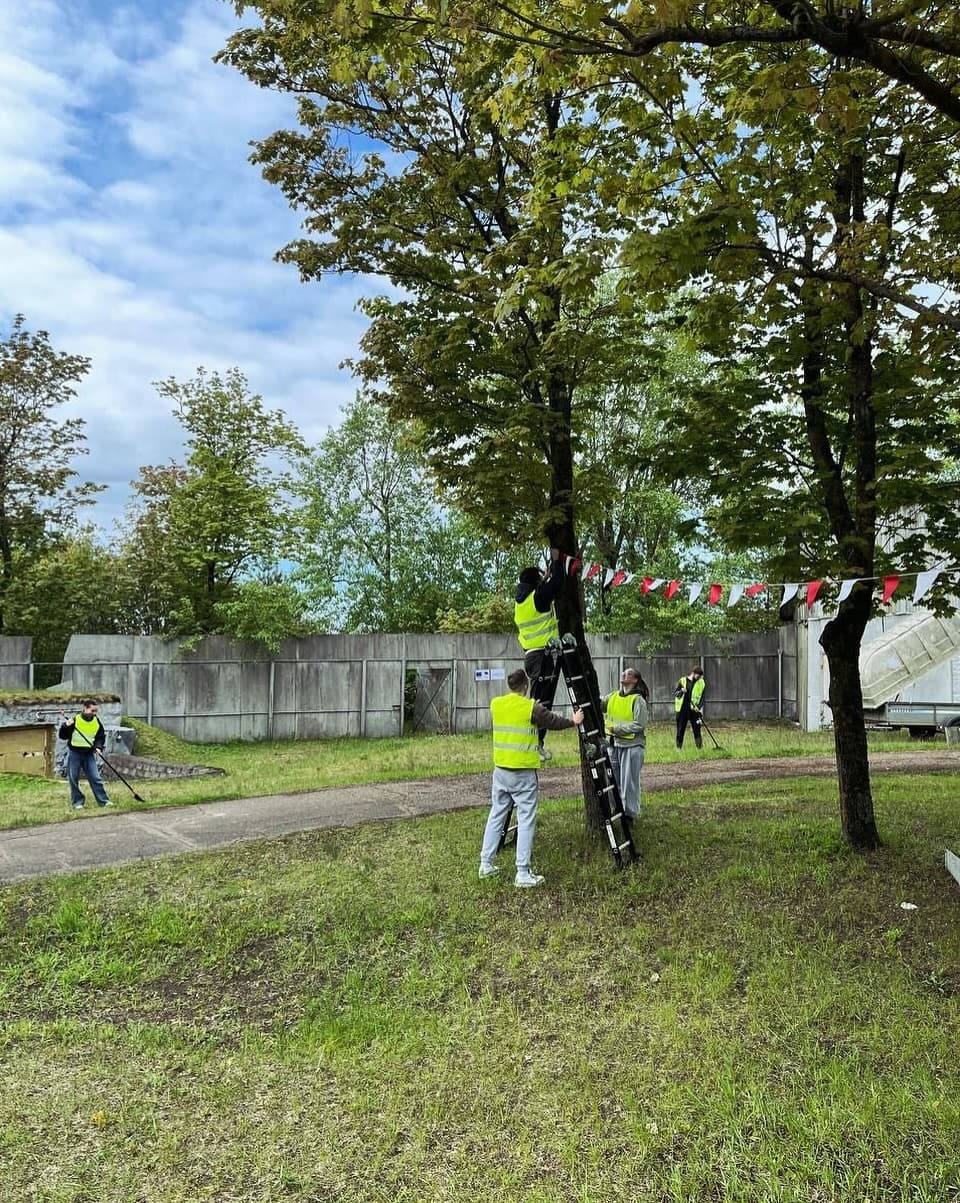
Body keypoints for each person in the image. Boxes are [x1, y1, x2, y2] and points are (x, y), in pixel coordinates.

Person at [479, 668, 584, 888]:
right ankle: (523, 872)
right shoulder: (531, 708)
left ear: (510, 685)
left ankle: (486, 864)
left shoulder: (496, 704)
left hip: (500, 771)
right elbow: (552, 721)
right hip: (523, 773)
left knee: (496, 815)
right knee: (526, 819)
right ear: (526, 686)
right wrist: (574, 721)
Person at [514, 548, 565, 760]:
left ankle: (535, 742)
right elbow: (556, 583)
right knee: (542, 702)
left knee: (538, 699)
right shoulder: (537, 597)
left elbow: (545, 586)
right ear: (536, 581)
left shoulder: (521, 602)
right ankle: (535, 744)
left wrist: (546, 574)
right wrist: (558, 562)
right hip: (543, 655)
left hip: (531, 655)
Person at [602, 667, 649, 821]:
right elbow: (600, 704)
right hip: (614, 745)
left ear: (635, 680)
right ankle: (617, 808)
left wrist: (618, 729)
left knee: (629, 783)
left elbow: (640, 724)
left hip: (632, 746)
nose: (624, 674)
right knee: (613, 780)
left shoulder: (638, 700)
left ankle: (629, 816)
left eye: (628, 674)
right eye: (623, 673)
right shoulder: (613, 696)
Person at [59, 700, 112, 809]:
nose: (94, 713)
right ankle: (78, 802)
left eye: (96, 711)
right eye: (92, 710)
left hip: (88, 754)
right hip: (74, 753)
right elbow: (63, 736)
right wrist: (65, 726)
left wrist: (98, 747)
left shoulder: (97, 722)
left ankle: (104, 801)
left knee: (96, 778)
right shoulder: (75, 720)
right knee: (73, 778)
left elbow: (100, 737)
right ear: (85, 708)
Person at [675, 666, 706, 749]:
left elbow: (702, 698)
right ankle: (678, 749)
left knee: (697, 729)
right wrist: (682, 691)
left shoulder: (701, 683)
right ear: (693, 673)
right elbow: (676, 694)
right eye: (698, 676)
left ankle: (699, 748)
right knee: (680, 730)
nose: (699, 678)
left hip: (694, 710)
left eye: (700, 677)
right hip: (682, 710)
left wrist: (698, 707)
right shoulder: (683, 681)